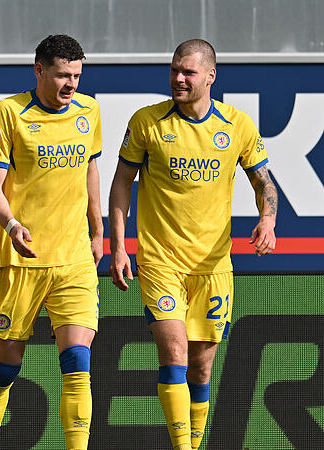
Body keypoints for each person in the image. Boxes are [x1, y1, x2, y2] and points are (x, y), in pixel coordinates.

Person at [108, 39, 277, 450]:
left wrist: (268, 218)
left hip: (214, 267)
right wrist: (117, 245)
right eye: (174, 70)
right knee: (175, 353)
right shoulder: (147, 122)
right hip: (161, 262)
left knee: (201, 369)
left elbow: (263, 181)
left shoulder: (236, 125)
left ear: (210, 76)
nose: (178, 78)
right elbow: (120, 184)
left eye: (188, 72)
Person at [0, 34, 103, 450]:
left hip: (74, 259)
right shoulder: (8, 113)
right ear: (39, 70)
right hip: (22, 260)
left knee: (77, 364)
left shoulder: (89, 110)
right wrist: (12, 225)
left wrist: (98, 229)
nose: (71, 84)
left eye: (77, 75)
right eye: (63, 75)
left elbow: (90, 170)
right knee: (5, 368)